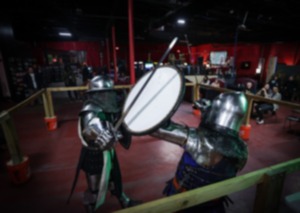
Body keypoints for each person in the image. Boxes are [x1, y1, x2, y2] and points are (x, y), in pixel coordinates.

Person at [97, 91, 248, 213]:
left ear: (217, 111)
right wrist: (206, 110)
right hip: (215, 205)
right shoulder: (241, 149)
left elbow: (158, 128)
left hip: (186, 203)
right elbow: (218, 136)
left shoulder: (202, 141)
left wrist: (135, 108)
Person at [68, 75, 141, 212]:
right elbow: (91, 130)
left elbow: (117, 126)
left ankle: (124, 201)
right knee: (94, 189)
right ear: (96, 94)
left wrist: (121, 128)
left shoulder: (110, 107)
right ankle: (91, 209)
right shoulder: (89, 110)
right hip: (93, 154)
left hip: (109, 152)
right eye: (104, 93)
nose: (108, 96)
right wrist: (105, 134)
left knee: (115, 180)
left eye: (109, 93)